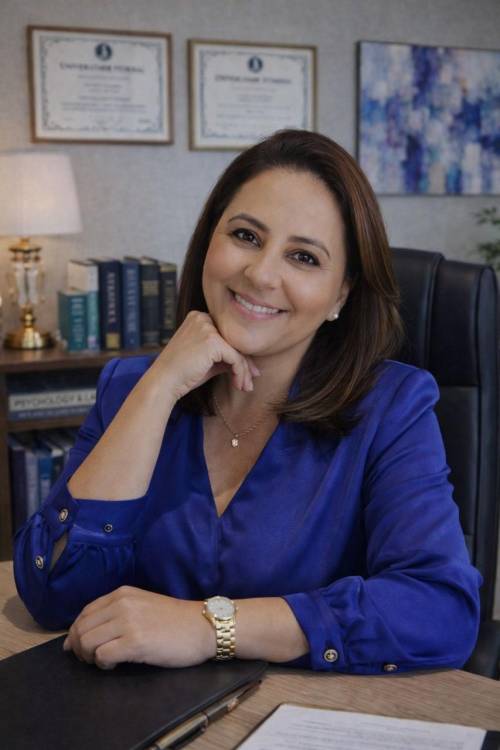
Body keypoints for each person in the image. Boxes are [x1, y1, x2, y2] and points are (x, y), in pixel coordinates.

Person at [14, 129, 482, 674]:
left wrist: (210, 627)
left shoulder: (392, 407)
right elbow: (53, 594)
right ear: (208, 242)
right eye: (246, 235)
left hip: (304, 710)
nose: (261, 274)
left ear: (341, 294)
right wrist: (158, 388)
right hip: (144, 710)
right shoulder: (131, 386)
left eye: (303, 257)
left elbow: (439, 608)